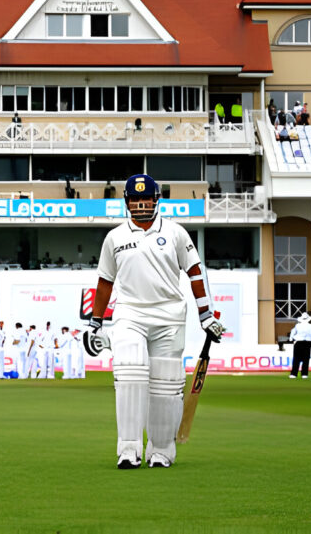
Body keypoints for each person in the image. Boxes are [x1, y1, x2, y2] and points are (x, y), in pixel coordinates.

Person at [84, 173, 224, 469]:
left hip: (170, 316)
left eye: (146, 198)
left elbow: (195, 272)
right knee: (130, 374)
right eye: (135, 199)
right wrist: (95, 322)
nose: (141, 204)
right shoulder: (115, 237)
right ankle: (129, 449)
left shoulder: (175, 232)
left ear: (156, 200)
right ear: (127, 202)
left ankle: (161, 450)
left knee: (165, 385)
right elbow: (105, 282)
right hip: (129, 314)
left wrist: (206, 314)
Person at [289, 312, 311, 378]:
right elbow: (310, 334)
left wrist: (291, 338)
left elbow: (293, 332)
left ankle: (294, 374)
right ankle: (304, 374)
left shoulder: (298, 325)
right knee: (306, 359)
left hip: (299, 342)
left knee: (296, 358)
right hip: (308, 343)